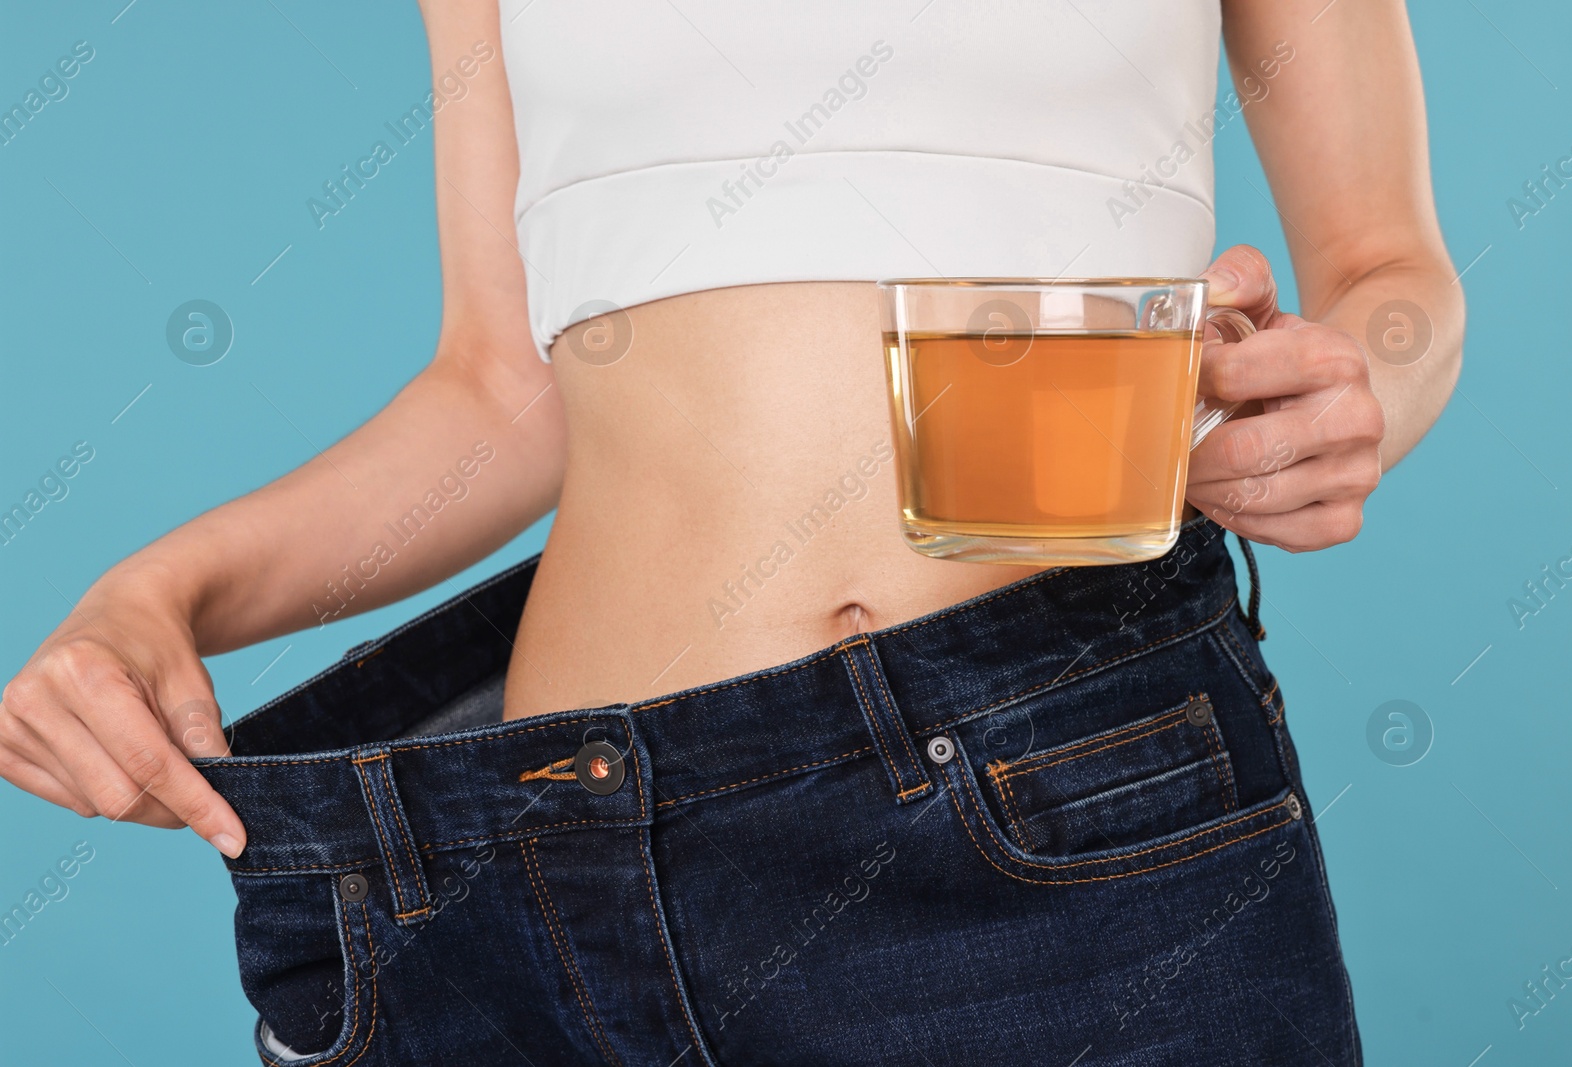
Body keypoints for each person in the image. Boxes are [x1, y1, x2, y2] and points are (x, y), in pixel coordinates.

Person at [0, 1, 1459, 1063]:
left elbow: (1389, 270)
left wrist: (1356, 394)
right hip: (537, 855)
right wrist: (156, 595)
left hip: (1032, 800)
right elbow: (505, 392)